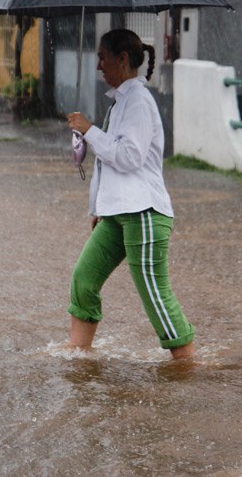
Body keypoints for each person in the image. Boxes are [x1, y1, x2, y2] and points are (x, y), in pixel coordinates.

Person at [66, 28, 195, 360]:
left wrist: (89, 130)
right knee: (84, 278)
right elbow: (106, 165)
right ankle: (77, 355)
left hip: (145, 212)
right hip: (116, 214)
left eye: (103, 58)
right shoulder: (120, 103)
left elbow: (128, 157)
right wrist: (97, 208)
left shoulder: (138, 101)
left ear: (122, 59)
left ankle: (188, 366)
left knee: (155, 295)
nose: (99, 67)